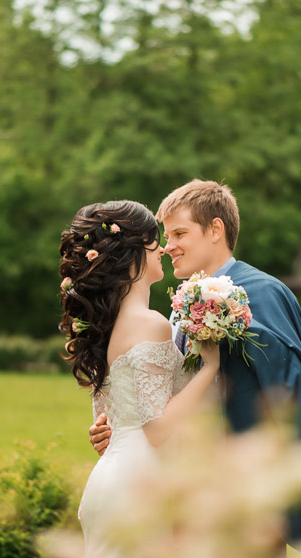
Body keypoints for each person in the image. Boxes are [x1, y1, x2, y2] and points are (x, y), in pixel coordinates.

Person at [89, 181, 301, 554]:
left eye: (180, 233)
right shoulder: (179, 308)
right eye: (165, 235)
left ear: (215, 230)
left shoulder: (265, 293)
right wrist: (122, 424)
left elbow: (291, 395)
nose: (167, 246)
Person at [59, 200, 221, 558]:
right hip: (136, 487)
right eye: (153, 241)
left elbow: (108, 419)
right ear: (132, 253)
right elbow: (157, 429)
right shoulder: (150, 324)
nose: (162, 248)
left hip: (112, 479)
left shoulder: (107, 331)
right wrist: (208, 368)